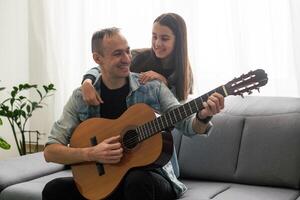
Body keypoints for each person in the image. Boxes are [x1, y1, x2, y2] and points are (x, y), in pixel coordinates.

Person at [42, 27, 224, 200]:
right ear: (98, 59)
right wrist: (92, 153)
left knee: (137, 181)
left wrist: (203, 116)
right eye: (117, 53)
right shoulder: (81, 97)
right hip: (106, 181)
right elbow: (50, 151)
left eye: (128, 51)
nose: (127, 58)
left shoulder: (152, 88)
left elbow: (188, 126)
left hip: (152, 177)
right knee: (53, 189)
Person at [81, 13, 193, 105]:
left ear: (178, 41)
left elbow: (177, 112)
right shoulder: (137, 56)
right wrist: (87, 82)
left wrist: (165, 84)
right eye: (154, 37)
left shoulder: (183, 73)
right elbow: (102, 67)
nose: (157, 43)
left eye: (164, 38)